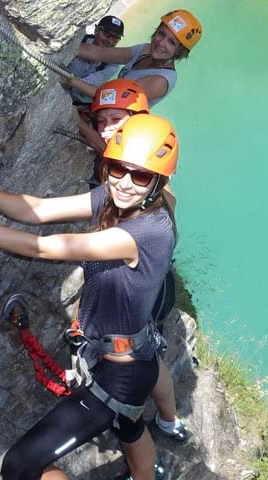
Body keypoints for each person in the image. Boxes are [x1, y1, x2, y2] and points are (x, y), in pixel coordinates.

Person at [0, 114, 179, 480]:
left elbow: (44, 248)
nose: (126, 183)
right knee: (127, 424)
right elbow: (38, 210)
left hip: (124, 372)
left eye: (141, 175)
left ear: (158, 180)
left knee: (20, 466)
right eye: (118, 169)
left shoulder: (145, 231)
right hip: (117, 356)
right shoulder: (119, 200)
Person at [76, 79, 192, 449]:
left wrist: (77, 119)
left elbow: (102, 147)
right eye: (103, 121)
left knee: (147, 353)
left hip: (149, 288)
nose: (109, 128)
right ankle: (166, 420)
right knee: (148, 353)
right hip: (149, 279)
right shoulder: (141, 166)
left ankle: (163, 420)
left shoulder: (151, 180)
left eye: (118, 121)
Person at [67, 10, 202, 107]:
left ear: (179, 51)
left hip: (113, 125)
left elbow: (114, 98)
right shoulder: (145, 50)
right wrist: (65, 51)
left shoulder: (161, 80)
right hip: (104, 111)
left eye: (172, 42)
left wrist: (69, 79)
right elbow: (100, 53)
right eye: (161, 34)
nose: (161, 43)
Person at [67, 15, 125, 108]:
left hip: (83, 104)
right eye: (107, 34)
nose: (110, 41)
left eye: (115, 38)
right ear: (96, 30)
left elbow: (87, 83)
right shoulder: (79, 41)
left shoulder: (112, 64)